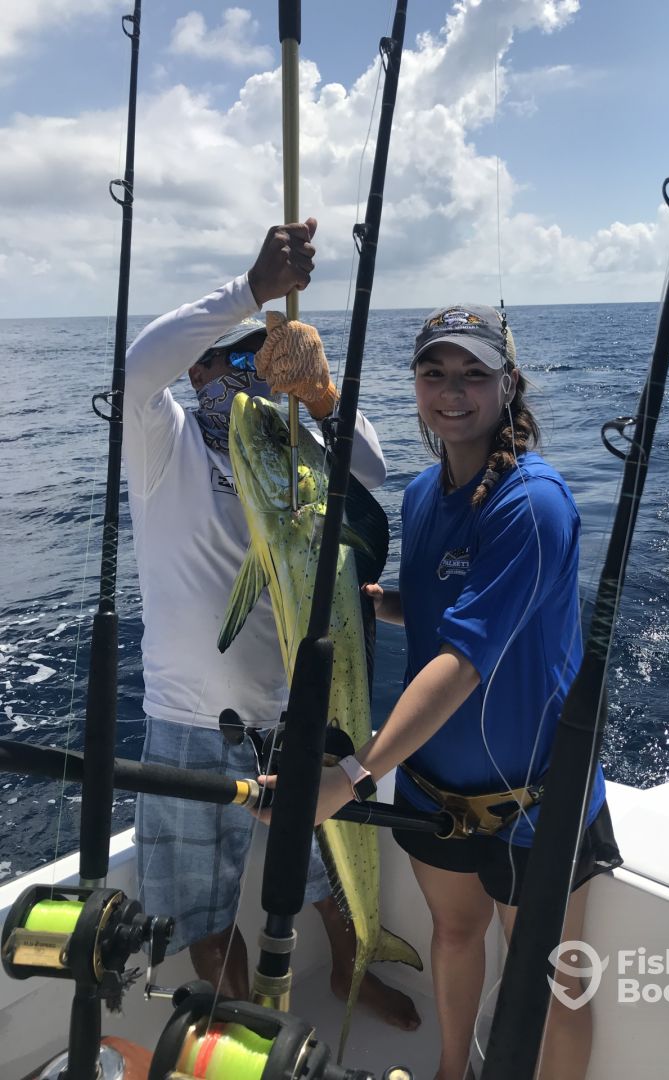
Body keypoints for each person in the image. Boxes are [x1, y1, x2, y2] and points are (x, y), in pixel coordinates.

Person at [307, 305, 622, 1080]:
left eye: (474, 374)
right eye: (435, 372)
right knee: (453, 936)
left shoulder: (533, 502)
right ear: (414, 385)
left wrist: (350, 777)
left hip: (536, 801)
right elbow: (446, 610)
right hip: (434, 791)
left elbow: (466, 660)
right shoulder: (422, 494)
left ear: (508, 384)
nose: (452, 391)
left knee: (554, 983)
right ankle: (453, 1072)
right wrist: (379, 603)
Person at [123, 218, 419, 1030]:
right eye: (229, 360)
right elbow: (137, 367)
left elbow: (371, 469)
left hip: (296, 714)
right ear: (196, 371)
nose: (246, 377)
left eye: (261, 363)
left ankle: (354, 966)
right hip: (189, 722)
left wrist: (320, 395)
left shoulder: (293, 451)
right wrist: (251, 290)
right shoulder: (162, 446)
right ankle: (250, 1036)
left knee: (326, 876)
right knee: (203, 913)